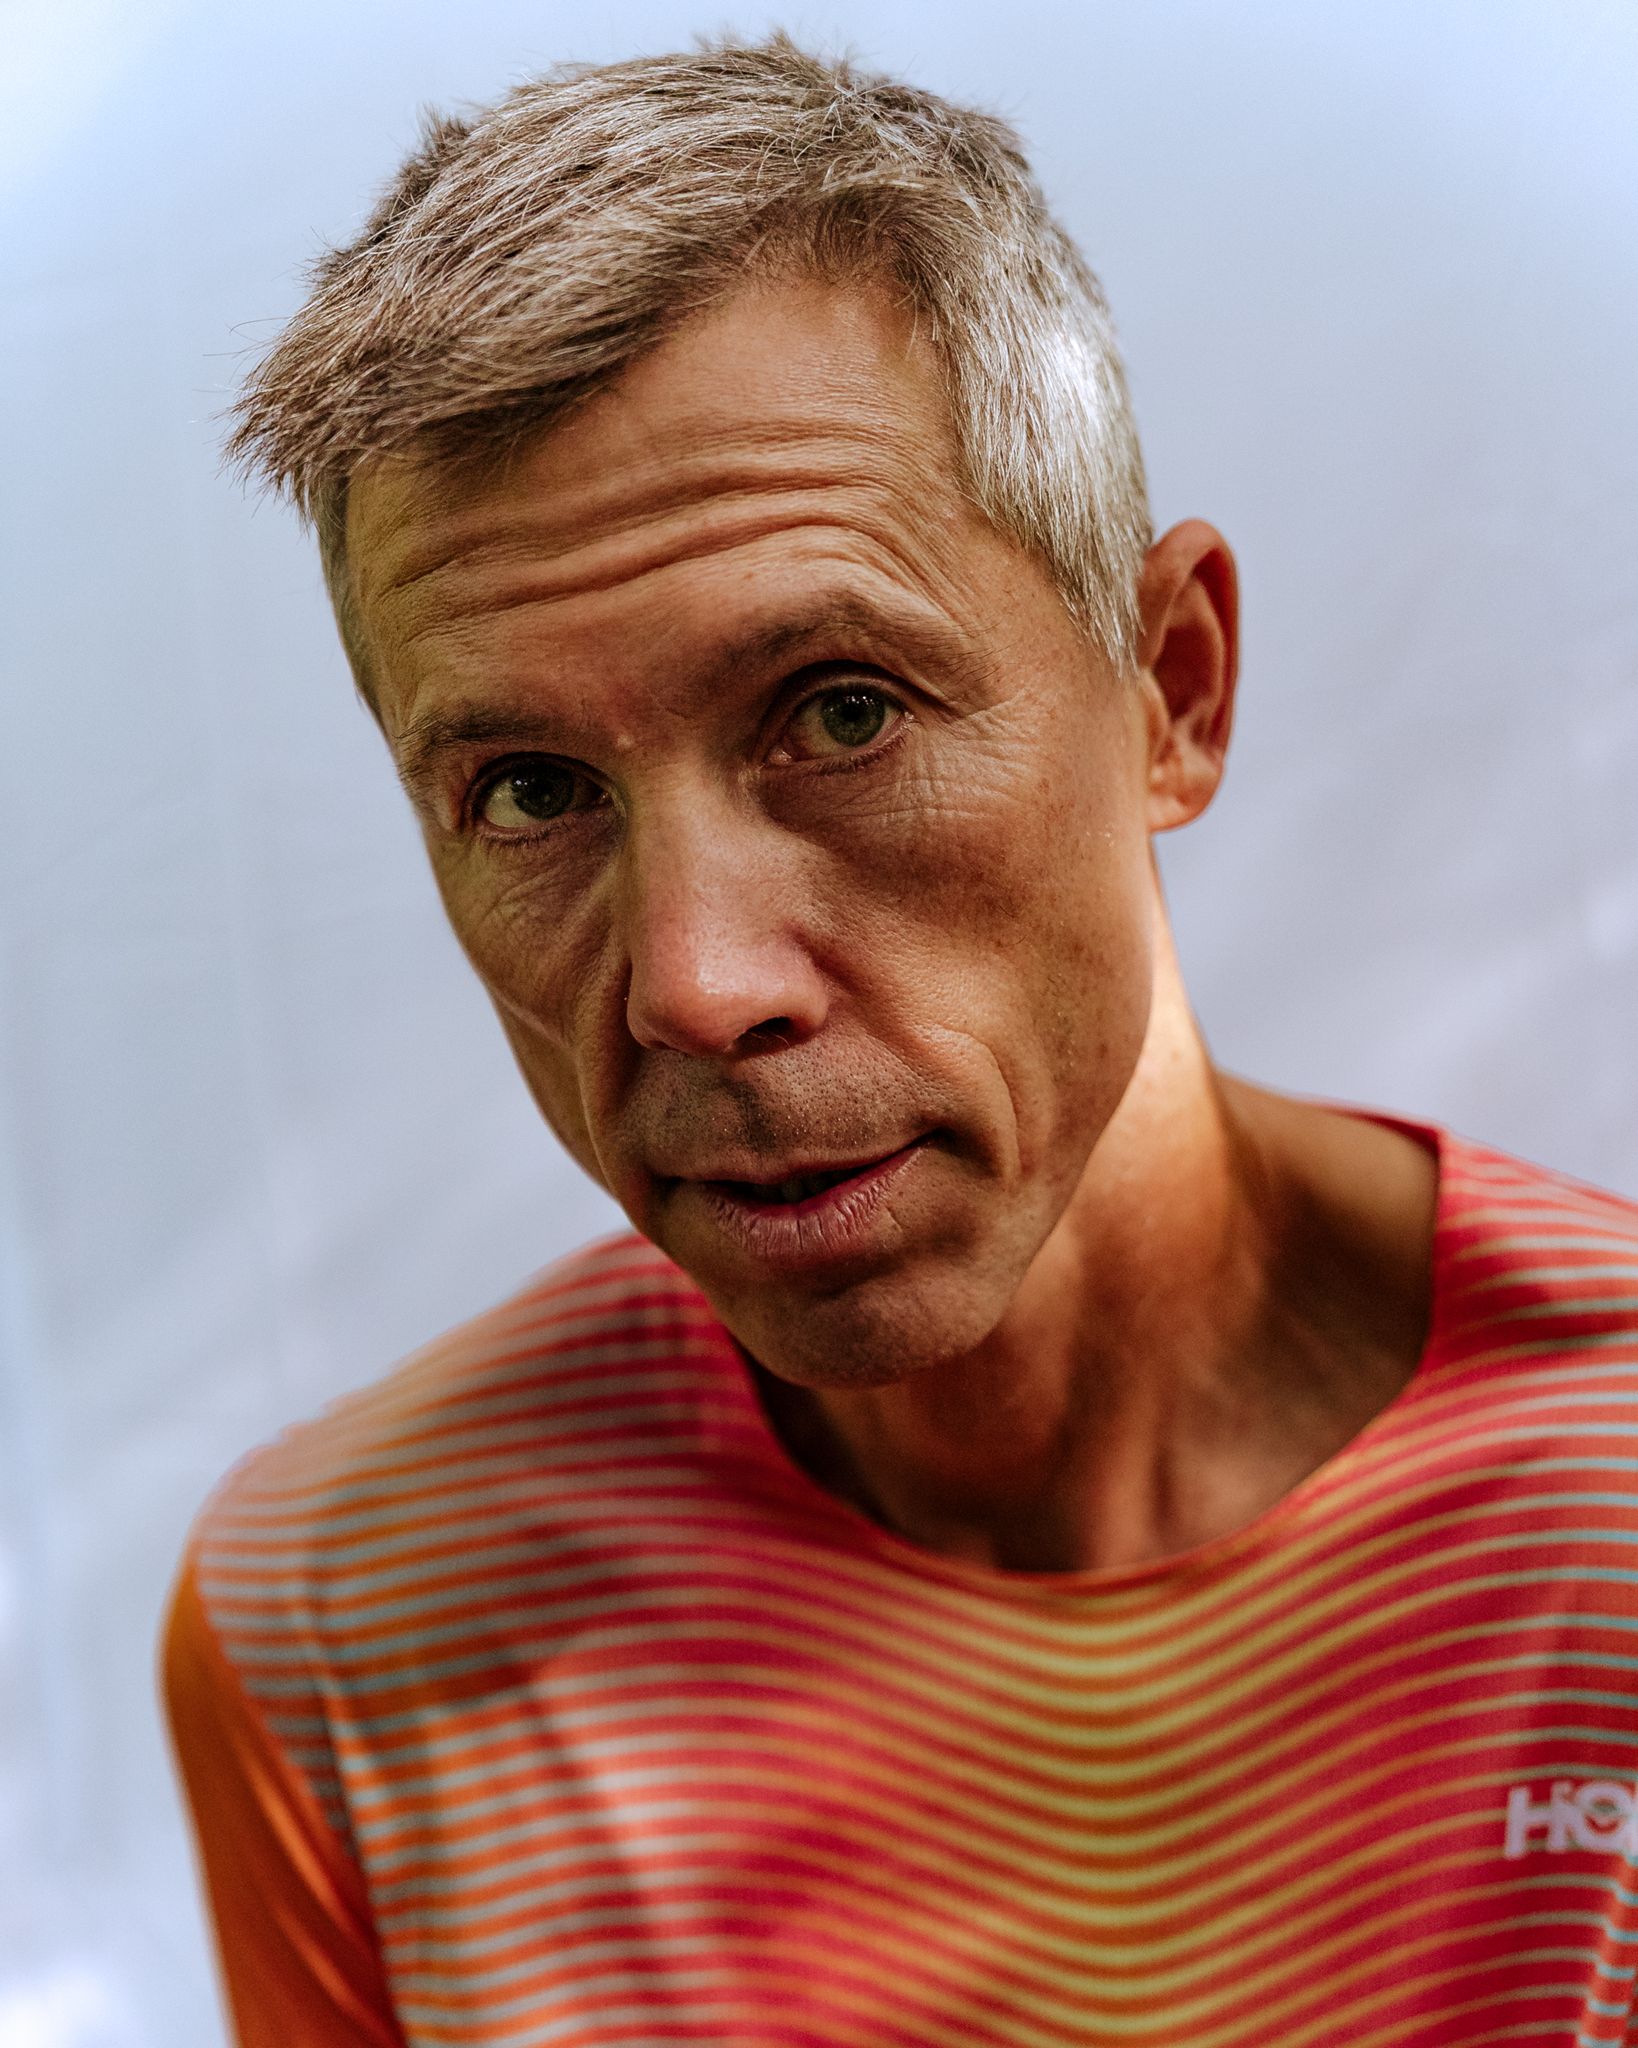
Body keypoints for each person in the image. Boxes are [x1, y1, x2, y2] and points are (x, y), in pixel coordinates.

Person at [163, 33, 1638, 2048]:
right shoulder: (348, 1617)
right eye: (529, 791)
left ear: (1171, 688)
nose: (696, 984)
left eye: (842, 710)